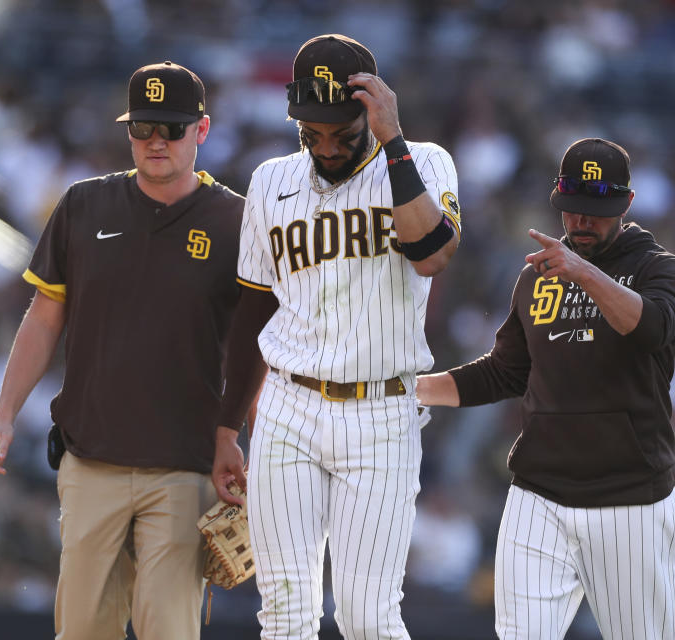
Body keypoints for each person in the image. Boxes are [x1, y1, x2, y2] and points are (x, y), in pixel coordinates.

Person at [0, 61, 245, 640]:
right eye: (142, 127)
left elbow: (257, 345)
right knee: (81, 632)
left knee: (168, 630)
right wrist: (4, 413)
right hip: (90, 457)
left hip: (183, 463)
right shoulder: (82, 204)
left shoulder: (237, 221)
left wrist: (239, 438)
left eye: (170, 129)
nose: (154, 141)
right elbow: (44, 318)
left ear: (201, 130)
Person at [211, 34, 461, 639]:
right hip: (286, 408)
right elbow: (252, 313)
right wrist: (226, 427)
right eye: (311, 132)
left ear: (370, 111)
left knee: (367, 616)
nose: (325, 146)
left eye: (341, 133)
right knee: (286, 614)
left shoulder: (423, 162)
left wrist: (391, 141)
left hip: (378, 411)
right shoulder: (271, 181)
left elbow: (431, 254)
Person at [417, 138, 675, 639]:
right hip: (538, 495)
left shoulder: (661, 269)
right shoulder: (536, 276)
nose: (582, 222)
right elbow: (504, 372)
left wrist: (582, 272)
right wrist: (412, 390)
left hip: (628, 499)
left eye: (595, 212)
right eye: (572, 211)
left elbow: (652, 328)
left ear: (626, 204)